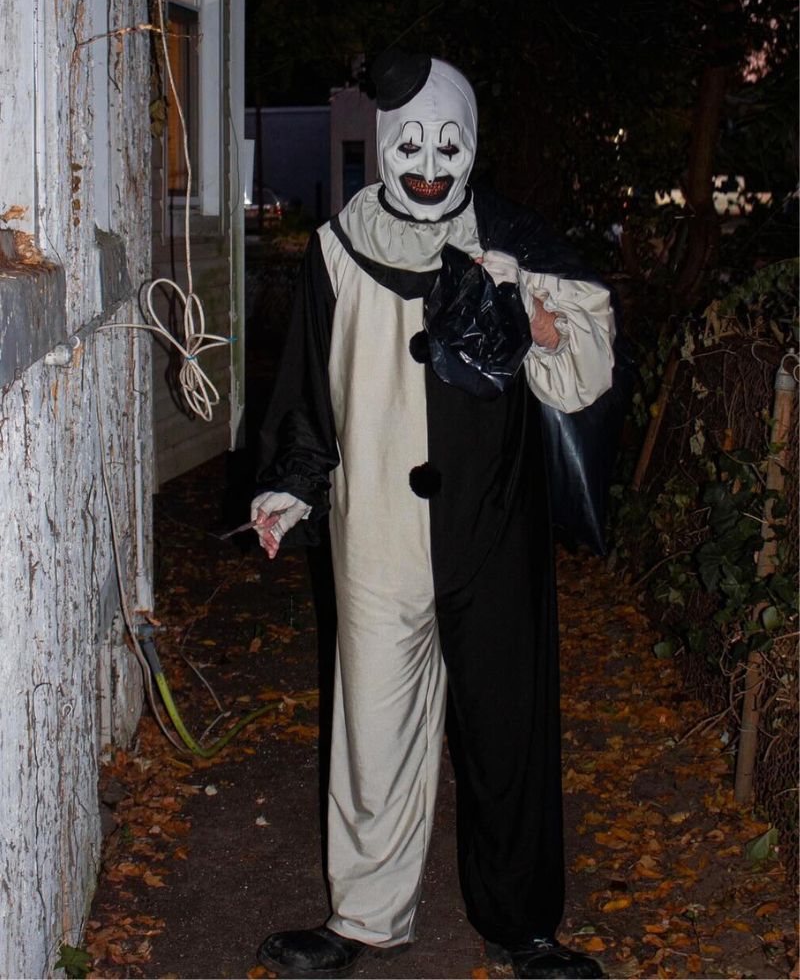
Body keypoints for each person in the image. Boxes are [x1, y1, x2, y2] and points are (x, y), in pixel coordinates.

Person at [251, 50, 613, 980]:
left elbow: (582, 379)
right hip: (373, 531)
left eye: (448, 143)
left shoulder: (514, 241)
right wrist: (289, 488)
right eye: (409, 142)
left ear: (472, 144)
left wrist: (541, 323)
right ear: (382, 145)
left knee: (507, 730)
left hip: (493, 530)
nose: (427, 161)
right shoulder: (337, 249)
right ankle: (364, 917)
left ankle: (523, 927)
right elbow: (308, 391)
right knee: (372, 730)